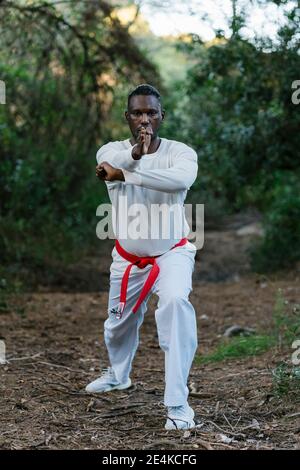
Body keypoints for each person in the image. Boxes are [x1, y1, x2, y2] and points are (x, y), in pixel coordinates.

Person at [86, 84, 199, 430]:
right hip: (128, 258)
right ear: (127, 117)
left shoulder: (181, 153)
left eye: (151, 113)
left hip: (172, 253)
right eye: (138, 113)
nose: (145, 119)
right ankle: (119, 375)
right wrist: (133, 157)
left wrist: (127, 174)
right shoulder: (112, 151)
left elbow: (178, 181)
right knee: (117, 328)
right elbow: (108, 164)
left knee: (176, 304)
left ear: (162, 116)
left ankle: (178, 404)